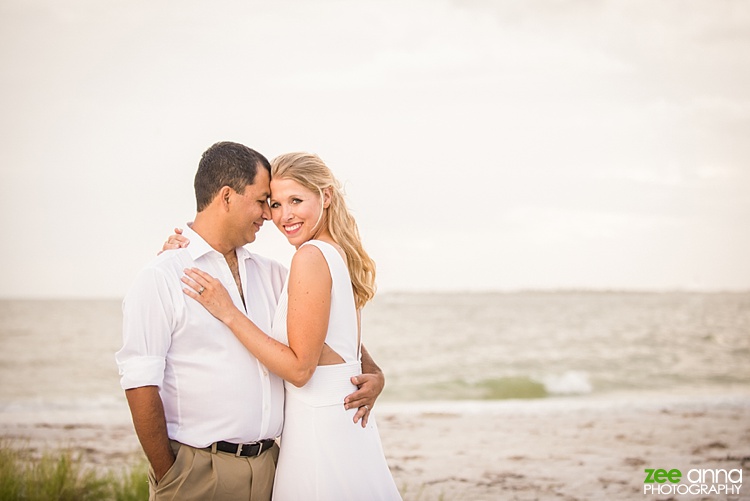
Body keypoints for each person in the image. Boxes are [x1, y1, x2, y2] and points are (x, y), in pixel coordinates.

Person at [116, 142, 384, 501]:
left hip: (272, 467)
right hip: (199, 473)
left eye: (285, 202)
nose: (270, 215)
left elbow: (321, 330)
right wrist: (170, 475)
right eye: (265, 201)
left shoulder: (273, 274)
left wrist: (373, 371)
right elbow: (139, 382)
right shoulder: (163, 275)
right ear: (227, 197)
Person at [180, 152, 401, 500]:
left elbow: (300, 369)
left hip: (319, 431)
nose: (283, 216)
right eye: (275, 203)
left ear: (325, 197)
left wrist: (228, 311)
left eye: (296, 200)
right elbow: (334, 339)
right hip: (336, 425)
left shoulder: (311, 256)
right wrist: (372, 369)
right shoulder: (333, 252)